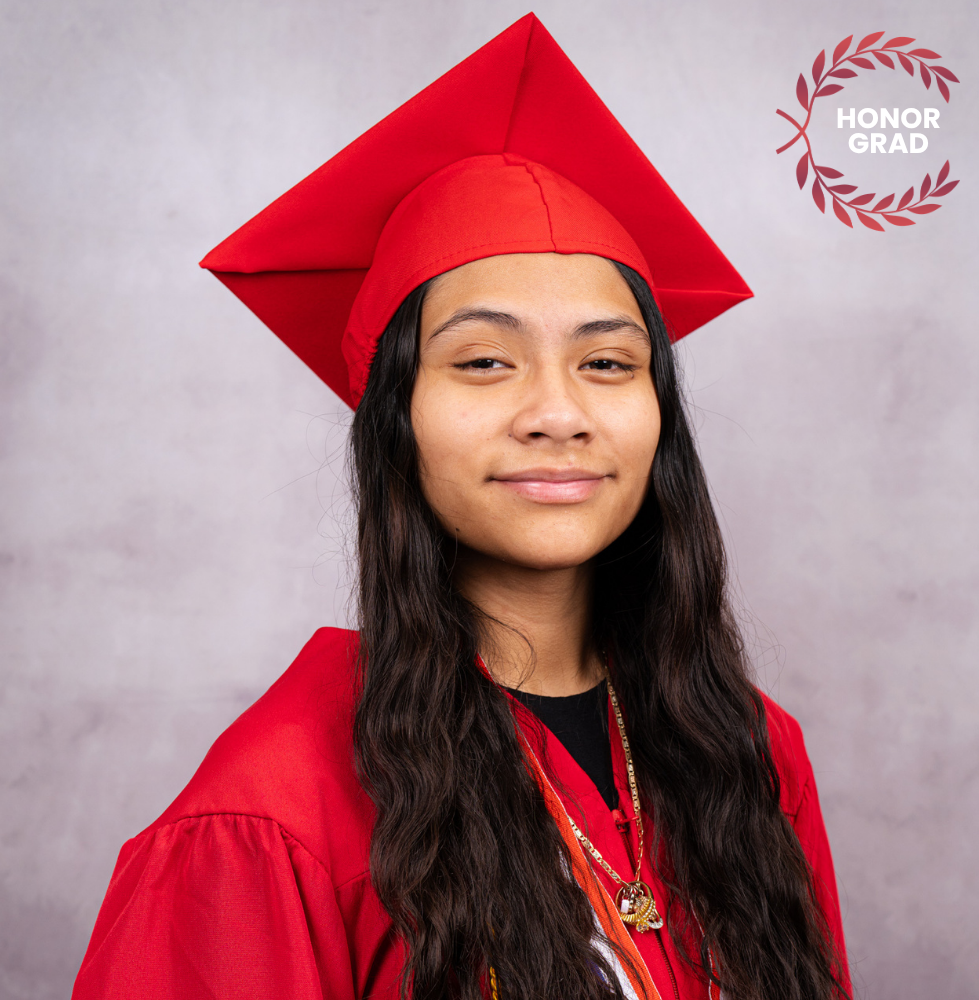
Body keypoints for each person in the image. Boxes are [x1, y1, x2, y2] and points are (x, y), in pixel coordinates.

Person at [73, 15, 850, 1000]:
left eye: (609, 362)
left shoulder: (746, 751)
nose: (558, 413)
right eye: (484, 361)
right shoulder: (273, 813)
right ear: (394, 417)